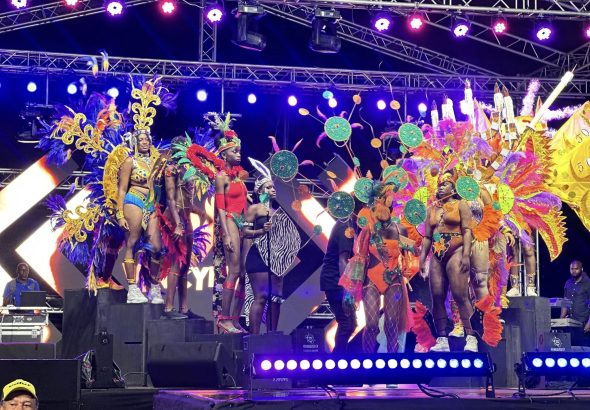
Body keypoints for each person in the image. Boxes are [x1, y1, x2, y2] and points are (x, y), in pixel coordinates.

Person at [419, 170, 478, 352]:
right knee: (437, 295)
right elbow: (427, 237)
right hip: (437, 255)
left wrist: (466, 254)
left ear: (453, 188)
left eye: (445, 184)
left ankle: (471, 337)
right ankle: (442, 338)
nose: (441, 187)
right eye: (439, 185)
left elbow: (467, 231)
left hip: (456, 251)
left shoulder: (461, 205)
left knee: (460, 295)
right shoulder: (432, 209)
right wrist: (422, 259)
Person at [243, 174, 300, 334]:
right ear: (259, 190)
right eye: (268, 187)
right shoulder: (254, 209)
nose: (273, 190)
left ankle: (272, 334)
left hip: (275, 259)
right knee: (261, 297)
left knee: (276, 298)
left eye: (273, 187)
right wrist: (261, 231)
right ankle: (254, 337)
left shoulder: (276, 212)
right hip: (257, 258)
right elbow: (244, 232)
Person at [159, 136, 208, 319]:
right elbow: (171, 199)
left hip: (186, 219)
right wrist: (177, 224)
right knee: (176, 262)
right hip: (174, 219)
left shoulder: (188, 168)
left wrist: (199, 211)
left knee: (186, 264)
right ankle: (169, 308)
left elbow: (186, 199)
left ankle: (184, 308)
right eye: (181, 146)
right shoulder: (171, 169)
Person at [117, 130, 166, 304]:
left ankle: (154, 287)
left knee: (156, 247)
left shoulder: (156, 162)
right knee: (132, 243)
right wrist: (120, 214)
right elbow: (122, 189)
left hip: (152, 204)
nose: (144, 142)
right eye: (141, 140)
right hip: (134, 200)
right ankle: (132, 289)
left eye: (147, 139)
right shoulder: (130, 162)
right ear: (135, 143)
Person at [212, 125, 249, 333]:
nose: (238, 154)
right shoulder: (221, 177)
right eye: (234, 151)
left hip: (242, 224)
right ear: (224, 154)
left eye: (239, 151)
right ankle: (223, 319)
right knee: (234, 271)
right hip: (230, 222)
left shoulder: (238, 178)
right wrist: (226, 234)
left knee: (243, 274)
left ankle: (234, 319)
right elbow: (220, 208)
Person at [320, 220, 356, 353]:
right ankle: (338, 360)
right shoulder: (345, 227)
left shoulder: (347, 224)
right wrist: (347, 290)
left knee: (349, 324)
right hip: (335, 280)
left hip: (335, 279)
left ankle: (338, 358)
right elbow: (343, 260)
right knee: (347, 323)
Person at [560, 260, 590, 344]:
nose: (574, 271)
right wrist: (561, 320)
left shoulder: (588, 283)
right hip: (570, 324)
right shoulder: (568, 283)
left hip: (583, 324)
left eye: (576, 269)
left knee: (582, 350)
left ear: (581, 269)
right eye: (572, 269)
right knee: (570, 349)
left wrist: (589, 324)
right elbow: (565, 301)